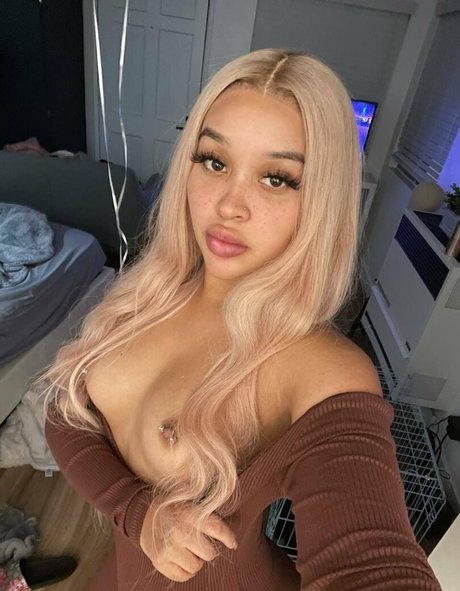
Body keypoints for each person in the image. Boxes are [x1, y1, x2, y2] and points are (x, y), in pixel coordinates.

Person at [42, 49, 442, 590]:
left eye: (276, 178)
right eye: (214, 161)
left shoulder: (321, 371)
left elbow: (371, 563)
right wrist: (136, 511)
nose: (230, 204)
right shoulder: (143, 296)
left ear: (321, 201)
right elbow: (68, 412)